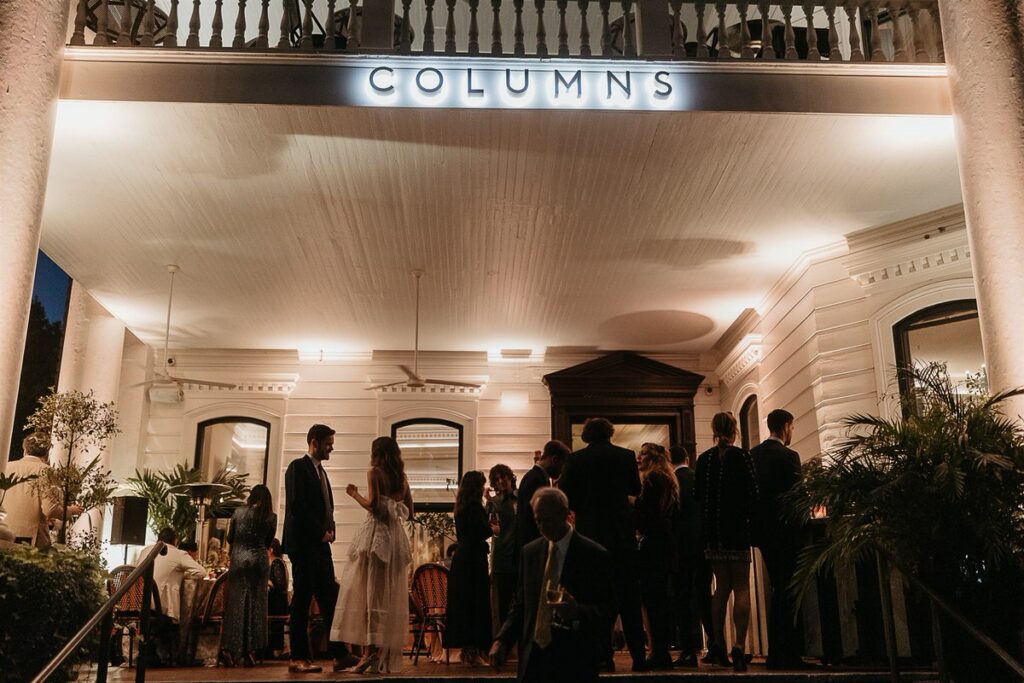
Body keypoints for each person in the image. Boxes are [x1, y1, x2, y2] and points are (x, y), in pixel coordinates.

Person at [489, 487, 613, 682]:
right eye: (538, 520)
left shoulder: (592, 555)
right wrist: (501, 640)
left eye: (548, 520)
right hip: (533, 658)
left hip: (573, 659)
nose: (543, 527)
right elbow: (521, 604)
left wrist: (577, 612)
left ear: (564, 514)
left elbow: (607, 610)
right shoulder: (530, 553)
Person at [557, 417, 645, 671]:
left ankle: (603, 656)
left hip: (591, 537)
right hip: (622, 536)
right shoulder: (626, 456)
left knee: (597, 600)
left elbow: (566, 497)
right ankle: (638, 656)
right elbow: (634, 488)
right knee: (629, 599)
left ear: (587, 435)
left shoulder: (575, 460)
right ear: (609, 433)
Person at [331, 436, 414, 674]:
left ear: (377, 453)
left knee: (368, 596)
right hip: (395, 539)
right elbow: (410, 510)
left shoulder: (375, 473)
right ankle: (379, 654)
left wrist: (354, 494)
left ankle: (368, 653)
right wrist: (394, 505)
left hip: (375, 538)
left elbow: (375, 506)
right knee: (387, 597)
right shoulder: (402, 479)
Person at [282, 423, 358, 674]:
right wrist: (320, 531)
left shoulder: (321, 473)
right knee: (303, 599)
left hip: (320, 545)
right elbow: (297, 506)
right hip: (304, 546)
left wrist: (332, 528)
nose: (331, 449)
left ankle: (340, 655)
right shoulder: (297, 467)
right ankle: (298, 657)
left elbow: (326, 506)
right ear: (314, 442)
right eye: (328, 444)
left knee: (329, 598)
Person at [694, 412, 758, 672]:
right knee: (741, 587)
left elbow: (698, 494)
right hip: (737, 529)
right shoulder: (742, 457)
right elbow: (753, 492)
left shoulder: (704, 459)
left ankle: (717, 641)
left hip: (713, 531)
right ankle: (739, 645)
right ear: (734, 430)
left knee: (721, 588)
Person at [750, 408, 807, 670]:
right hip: (787, 532)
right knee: (788, 590)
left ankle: (776, 652)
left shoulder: (753, 455)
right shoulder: (789, 456)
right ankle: (790, 653)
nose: (792, 432)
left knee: (777, 588)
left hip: (763, 532)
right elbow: (797, 496)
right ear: (786, 425)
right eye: (793, 427)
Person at [445, 470, 500, 666]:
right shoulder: (475, 507)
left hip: (462, 560)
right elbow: (481, 531)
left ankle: (467, 651)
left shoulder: (460, 507)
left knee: (464, 604)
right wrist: (493, 529)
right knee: (476, 603)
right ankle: (474, 651)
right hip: (473, 560)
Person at [220, 484, 277, 667]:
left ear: (251, 496)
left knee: (236, 604)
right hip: (259, 562)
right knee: (257, 605)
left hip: (238, 559)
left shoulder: (238, 512)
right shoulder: (271, 517)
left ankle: (230, 649)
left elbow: (230, 538)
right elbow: (268, 542)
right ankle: (251, 650)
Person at [635, 443, 679, 671]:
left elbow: (646, 515)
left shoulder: (652, 481)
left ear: (651, 457)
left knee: (651, 599)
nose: (638, 458)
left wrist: (632, 502)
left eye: (642, 454)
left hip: (652, 545)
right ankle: (660, 649)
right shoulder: (668, 480)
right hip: (665, 544)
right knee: (660, 599)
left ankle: (657, 651)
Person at [2, 432, 80, 547]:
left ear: (25, 449)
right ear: (47, 453)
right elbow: (50, 509)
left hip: (4, 533)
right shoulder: (46, 471)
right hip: (29, 537)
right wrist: (70, 510)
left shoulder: (6, 466)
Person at [669, 444, 704, 668]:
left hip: (677, 546)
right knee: (701, 594)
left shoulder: (670, 481)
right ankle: (715, 643)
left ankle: (688, 648)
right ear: (687, 459)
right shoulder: (696, 477)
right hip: (700, 542)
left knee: (681, 596)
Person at [517, 441, 570, 551]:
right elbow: (531, 518)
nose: (562, 471)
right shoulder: (536, 480)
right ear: (554, 459)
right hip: (533, 546)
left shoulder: (534, 477)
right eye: (562, 465)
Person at [148, 527, 206, 623]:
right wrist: (183, 574)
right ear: (175, 541)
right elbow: (202, 572)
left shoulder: (145, 550)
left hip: (139, 603)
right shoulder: (178, 554)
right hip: (160, 608)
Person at [487, 463, 518, 630]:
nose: (501, 481)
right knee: (502, 605)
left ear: (510, 477)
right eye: (497, 479)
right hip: (502, 560)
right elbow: (487, 526)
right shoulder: (494, 503)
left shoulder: (522, 498)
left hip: (520, 558)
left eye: (503, 476)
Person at [267, 539, 289, 658]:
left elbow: (278, 584)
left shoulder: (276, 563)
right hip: (280, 603)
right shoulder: (280, 562)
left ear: (271, 550)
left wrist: (268, 582)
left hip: (277, 604)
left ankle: (271, 649)